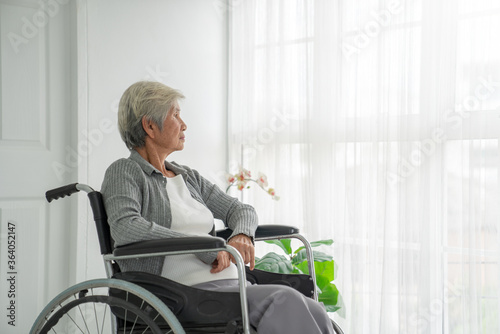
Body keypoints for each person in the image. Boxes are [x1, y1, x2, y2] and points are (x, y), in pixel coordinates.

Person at [101, 81, 334, 334]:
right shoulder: (125, 172)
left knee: (314, 308)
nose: (184, 124)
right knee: (284, 300)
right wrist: (205, 249)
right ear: (150, 126)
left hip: (227, 285)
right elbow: (126, 228)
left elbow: (241, 210)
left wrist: (242, 234)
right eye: (176, 115)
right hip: (176, 293)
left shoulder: (187, 177)